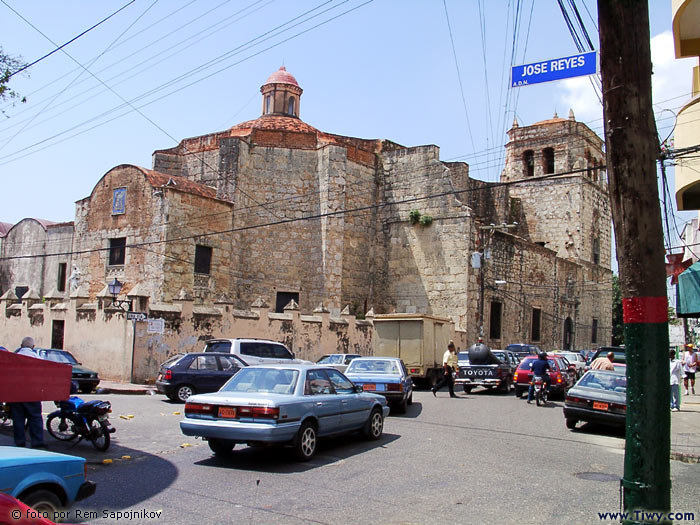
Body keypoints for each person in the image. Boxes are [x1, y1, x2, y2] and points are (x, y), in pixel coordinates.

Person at [10, 336, 47, 448]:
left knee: (18, 419)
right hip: (32, 393)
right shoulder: (37, 358)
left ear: (21, 346)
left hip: (16, 393)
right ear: (33, 347)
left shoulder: (14, 358)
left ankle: (20, 442)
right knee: (35, 417)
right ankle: (37, 442)